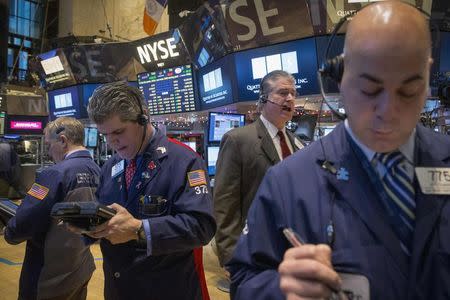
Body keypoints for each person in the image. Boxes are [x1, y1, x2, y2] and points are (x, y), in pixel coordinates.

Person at [228, 2, 450, 299]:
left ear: (428, 76)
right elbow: (243, 283)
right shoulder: (286, 182)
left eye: (408, 90)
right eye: (370, 89)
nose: (388, 111)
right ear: (339, 77)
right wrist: (280, 290)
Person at [85, 82, 216, 300]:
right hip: (119, 290)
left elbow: (201, 227)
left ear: (143, 117)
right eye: (104, 134)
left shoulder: (184, 161)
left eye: (118, 131)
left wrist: (140, 229)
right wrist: (88, 228)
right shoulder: (110, 166)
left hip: (168, 289)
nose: (111, 142)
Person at [213, 70, 304, 282]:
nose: (290, 98)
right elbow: (225, 202)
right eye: (282, 92)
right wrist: (229, 256)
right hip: (255, 248)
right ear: (263, 99)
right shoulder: (238, 140)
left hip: (294, 248)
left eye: (293, 93)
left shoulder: (296, 141)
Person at [4, 117, 100, 300]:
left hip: (48, 274)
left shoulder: (53, 174)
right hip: (80, 267)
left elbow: (27, 219)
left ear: (63, 140)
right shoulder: (97, 169)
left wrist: (10, 233)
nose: (48, 152)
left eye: (48, 145)